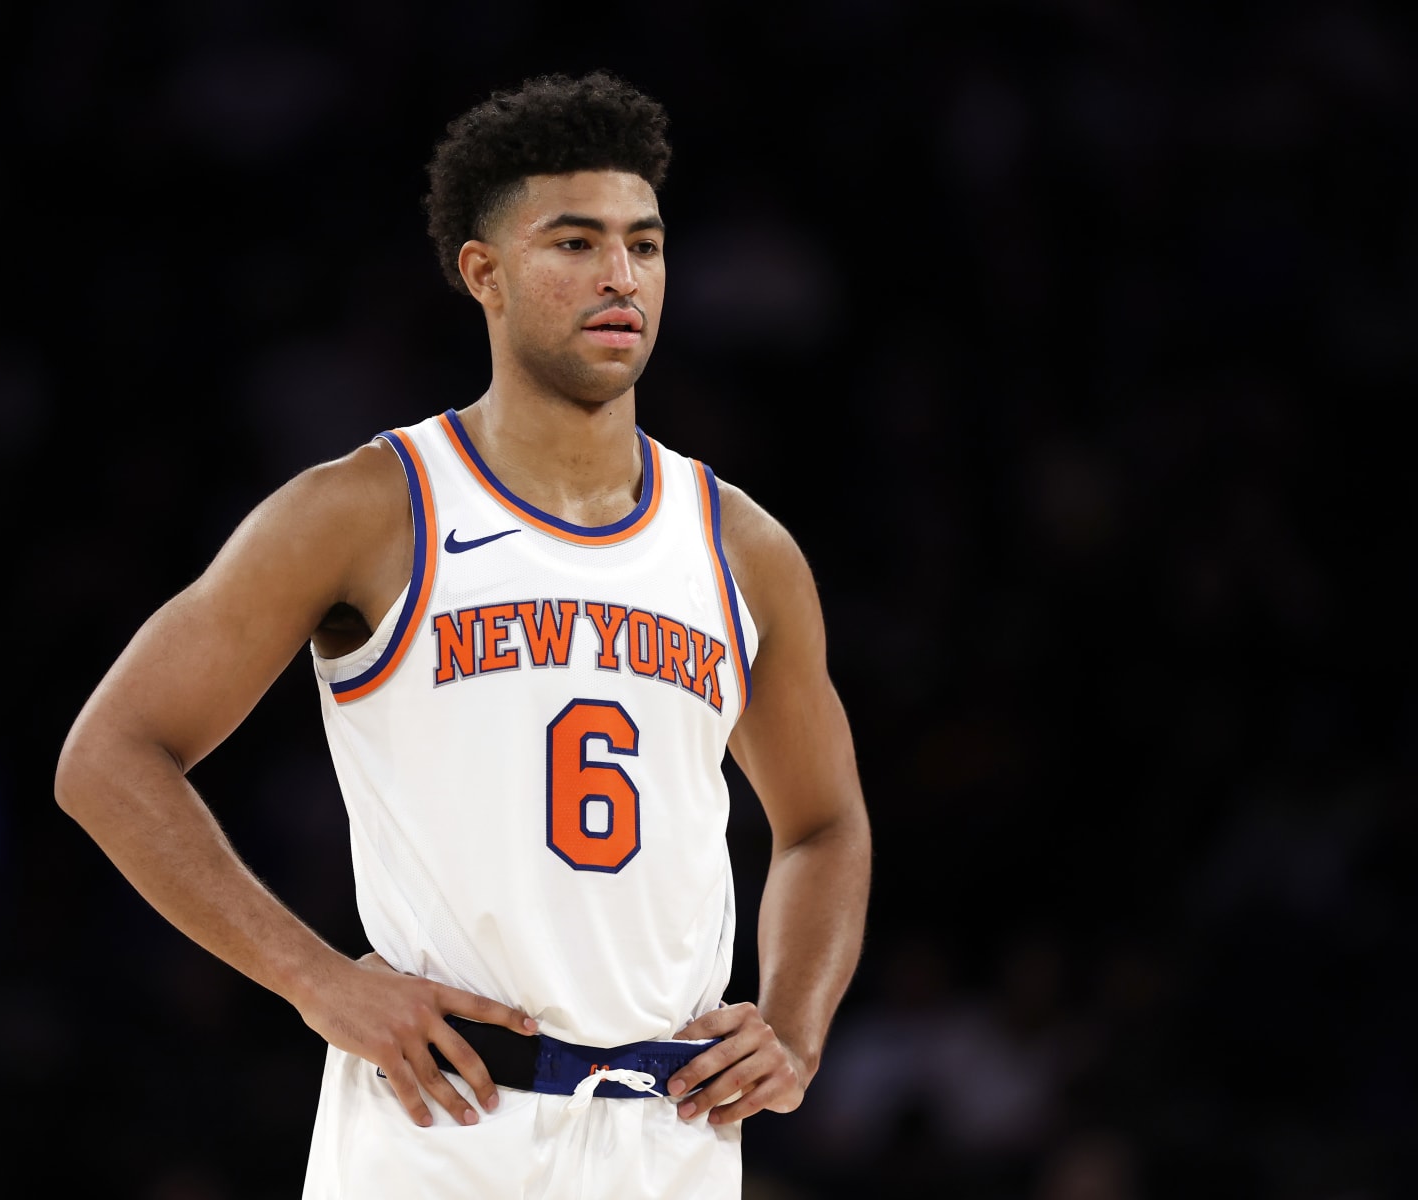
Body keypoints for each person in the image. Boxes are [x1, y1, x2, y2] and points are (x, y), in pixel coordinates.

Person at [55, 71, 872, 1198]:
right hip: (442, 1126)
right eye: (575, 243)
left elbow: (823, 824)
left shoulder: (743, 547)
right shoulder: (366, 508)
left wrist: (794, 1026)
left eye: (644, 243)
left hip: (667, 1140)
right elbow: (107, 758)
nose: (620, 276)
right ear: (483, 273)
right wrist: (316, 980)